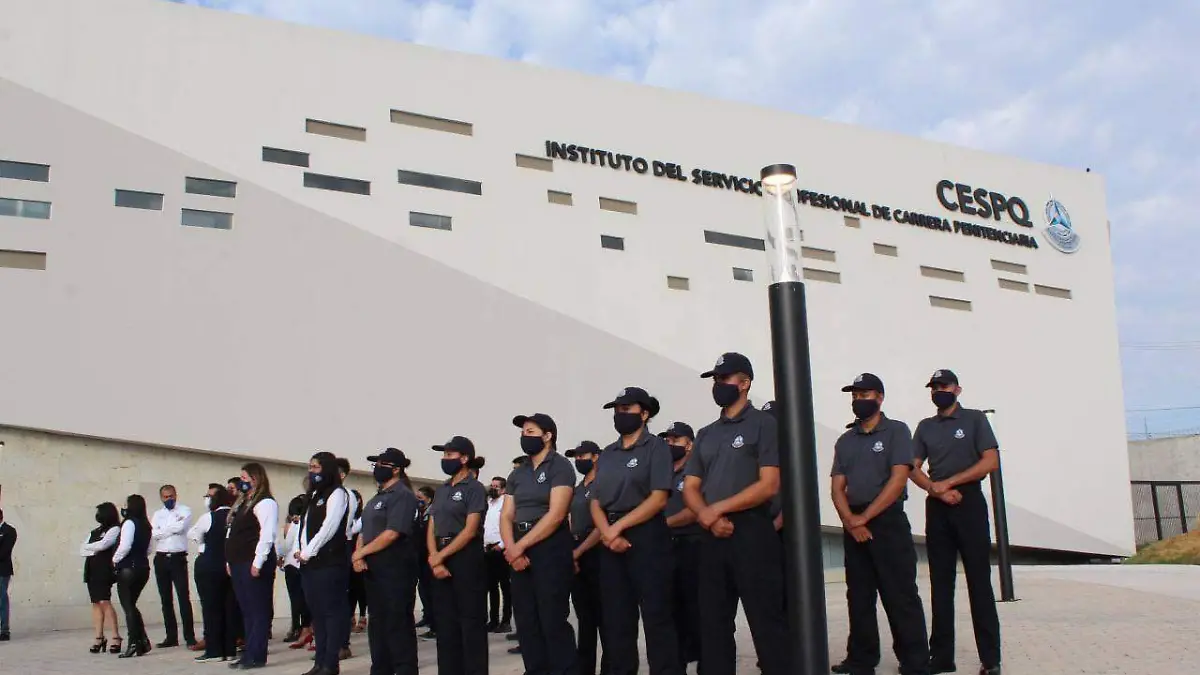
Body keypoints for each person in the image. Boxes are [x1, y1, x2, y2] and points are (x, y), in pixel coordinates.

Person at [682, 352, 790, 675]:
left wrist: (717, 509)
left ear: (744, 383)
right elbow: (690, 487)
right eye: (715, 379)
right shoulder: (706, 433)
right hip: (711, 534)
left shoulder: (764, 424)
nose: (718, 385)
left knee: (766, 619)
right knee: (713, 622)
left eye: (724, 378)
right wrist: (707, 516)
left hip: (752, 531)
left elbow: (769, 484)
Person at [831, 372, 930, 675]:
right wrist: (851, 521)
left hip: (887, 521)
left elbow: (898, 479)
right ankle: (861, 660)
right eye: (854, 396)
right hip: (854, 522)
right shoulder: (845, 440)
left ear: (880, 397)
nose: (858, 401)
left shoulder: (896, 431)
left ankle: (915, 662)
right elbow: (837, 487)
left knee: (900, 594)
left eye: (864, 395)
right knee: (858, 596)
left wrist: (865, 518)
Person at [911, 370, 1002, 675]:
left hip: (969, 502)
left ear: (957, 389)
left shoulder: (974, 419)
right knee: (940, 583)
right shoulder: (925, 427)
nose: (938, 391)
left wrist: (949, 483)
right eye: (934, 387)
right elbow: (912, 467)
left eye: (944, 386)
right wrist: (934, 488)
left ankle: (990, 659)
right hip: (938, 506)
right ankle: (941, 657)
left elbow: (990, 461)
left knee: (979, 582)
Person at [590, 387, 680, 675]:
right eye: (617, 410)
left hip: (646, 535)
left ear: (644, 413)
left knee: (657, 616)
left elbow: (658, 498)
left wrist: (618, 528)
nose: (620, 414)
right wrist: (608, 532)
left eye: (627, 409)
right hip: (610, 539)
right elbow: (595, 501)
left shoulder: (656, 448)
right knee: (616, 619)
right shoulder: (607, 454)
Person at [504, 412, 578, 675]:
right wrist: (512, 548)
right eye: (523, 432)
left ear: (548, 436)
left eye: (530, 432)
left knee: (552, 618)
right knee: (526, 619)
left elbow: (556, 514)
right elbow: (507, 515)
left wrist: (520, 546)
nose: (524, 436)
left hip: (549, 546)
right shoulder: (518, 473)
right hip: (518, 546)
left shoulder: (560, 466)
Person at [354, 447, 420, 675]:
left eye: (382, 464)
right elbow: (364, 530)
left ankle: (404, 669)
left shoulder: (403, 495)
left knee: (397, 623)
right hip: (374, 569)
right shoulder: (377, 497)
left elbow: (392, 533)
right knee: (378, 623)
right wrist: (359, 553)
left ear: (396, 469)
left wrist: (361, 553)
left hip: (395, 568)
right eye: (376, 464)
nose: (377, 468)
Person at [427, 436, 489, 675]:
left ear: (464, 458)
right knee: (446, 624)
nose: (445, 459)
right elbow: (432, 525)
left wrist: (441, 556)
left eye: (450, 455)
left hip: (465, 556)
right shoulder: (442, 489)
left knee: (470, 623)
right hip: (440, 555)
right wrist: (434, 556)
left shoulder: (474, 488)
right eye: (444, 455)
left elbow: (470, 530)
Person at [294, 452, 351, 675]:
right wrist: (299, 549)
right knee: (317, 614)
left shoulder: (337, 493)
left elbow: (329, 527)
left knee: (331, 613)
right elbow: (304, 527)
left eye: (316, 467)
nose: (312, 472)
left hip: (329, 562)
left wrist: (309, 551)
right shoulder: (313, 494)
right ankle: (319, 663)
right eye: (310, 467)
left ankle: (330, 663)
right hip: (310, 564)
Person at [659, 421, 702, 672]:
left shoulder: (696, 470)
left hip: (691, 546)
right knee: (669, 611)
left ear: (689, 444)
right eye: (667, 440)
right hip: (666, 548)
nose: (670, 444)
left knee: (694, 611)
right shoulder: (662, 472)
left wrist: (663, 524)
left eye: (675, 440)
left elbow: (695, 510)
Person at [227, 462, 279, 670]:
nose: (242, 482)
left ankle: (257, 655)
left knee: (258, 610)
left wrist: (258, 562)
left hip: (253, 561)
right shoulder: (243, 503)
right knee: (247, 610)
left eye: (245, 478)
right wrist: (229, 561)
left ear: (255, 479)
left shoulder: (265, 503)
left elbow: (267, 534)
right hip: (238, 561)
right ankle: (249, 652)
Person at [565, 440, 607, 675]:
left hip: (597, 551)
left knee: (604, 617)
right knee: (585, 617)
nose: (579, 460)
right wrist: (572, 552)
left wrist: (579, 551)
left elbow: (602, 526)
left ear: (596, 456)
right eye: (576, 457)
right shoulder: (577, 488)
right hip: (576, 550)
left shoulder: (604, 483)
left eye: (583, 456)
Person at [190, 486, 238, 663]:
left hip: (210, 565)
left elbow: (195, 535)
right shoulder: (235, 516)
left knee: (211, 608)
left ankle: (214, 650)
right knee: (229, 608)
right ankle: (229, 649)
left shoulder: (209, 517)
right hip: (231, 566)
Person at [149, 484, 196, 649]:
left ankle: (189, 636)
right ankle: (171, 636)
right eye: (166, 497)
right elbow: (154, 534)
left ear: (176, 495)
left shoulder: (185, 510)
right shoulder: (158, 514)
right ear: (161, 498)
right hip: (161, 557)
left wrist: (163, 530)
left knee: (183, 597)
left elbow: (181, 527)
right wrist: (169, 530)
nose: (169, 499)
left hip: (178, 557)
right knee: (165, 599)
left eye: (171, 496)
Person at [113, 494, 153, 658]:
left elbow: (125, 546)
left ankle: (134, 642)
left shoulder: (129, 523)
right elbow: (149, 549)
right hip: (143, 567)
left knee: (128, 606)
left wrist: (114, 560)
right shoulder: (146, 525)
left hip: (129, 568)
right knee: (132, 605)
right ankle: (142, 640)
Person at [80, 502, 122, 654]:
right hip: (91, 569)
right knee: (96, 602)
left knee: (105, 601)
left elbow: (104, 545)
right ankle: (99, 637)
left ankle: (116, 636)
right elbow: (82, 549)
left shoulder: (115, 529)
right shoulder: (95, 531)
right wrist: (93, 548)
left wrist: (92, 547)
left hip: (104, 569)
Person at [280, 495, 313, 649]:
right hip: (304, 564)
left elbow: (287, 545)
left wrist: (279, 555)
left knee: (296, 600)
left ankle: (298, 628)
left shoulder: (295, 524)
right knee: (305, 599)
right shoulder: (309, 522)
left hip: (292, 564)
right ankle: (305, 628)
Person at [483, 475, 512, 634]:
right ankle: (493, 620)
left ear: (503, 489)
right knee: (491, 587)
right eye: (492, 486)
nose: (492, 489)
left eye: (496, 487)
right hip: (488, 549)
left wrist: (501, 545)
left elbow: (508, 525)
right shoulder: (488, 503)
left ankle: (506, 621)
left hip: (500, 548)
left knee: (505, 587)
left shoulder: (506, 503)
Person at [414, 486, 436, 637]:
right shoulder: (420, 513)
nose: (418, 501)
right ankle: (427, 616)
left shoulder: (432, 513)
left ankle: (435, 624)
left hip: (429, 555)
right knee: (422, 588)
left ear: (428, 499)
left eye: (420, 498)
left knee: (431, 590)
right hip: (420, 556)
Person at [0, 508, 12, 642]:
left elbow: (4, 552)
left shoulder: (9, 531)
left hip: (2, 571)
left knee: (2, 598)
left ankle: (4, 630)